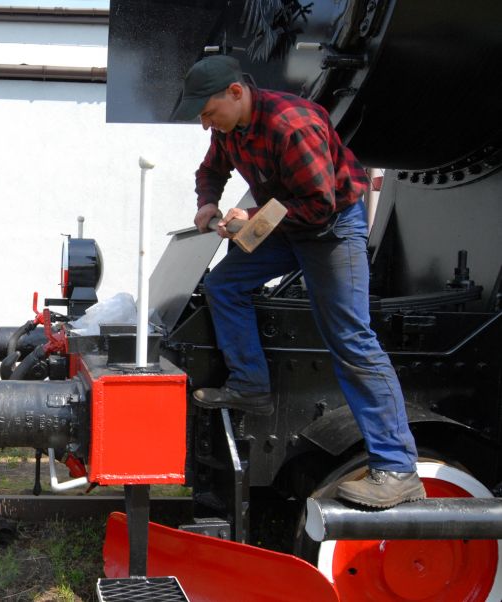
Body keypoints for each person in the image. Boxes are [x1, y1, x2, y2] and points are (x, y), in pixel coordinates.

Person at [171, 55, 425, 509]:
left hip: (331, 229)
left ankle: (398, 468)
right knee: (224, 285)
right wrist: (207, 203)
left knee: (351, 340)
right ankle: (251, 384)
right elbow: (211, 170)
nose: (206, 124)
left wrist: (252, 215)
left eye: (208, 113)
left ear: (236, 92)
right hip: (286, 224)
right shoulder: (231, 127)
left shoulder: (292, 125)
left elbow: (319, 205)